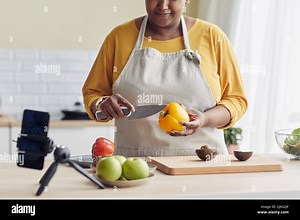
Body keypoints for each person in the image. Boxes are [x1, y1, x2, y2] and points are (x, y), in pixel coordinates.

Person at [82, 0, 248, 157]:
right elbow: (93, 95)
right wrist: (102, 104)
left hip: (203, 164)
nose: (163, 5)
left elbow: (236, 100)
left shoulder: (212, 37)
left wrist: (205, 119)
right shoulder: (118, 37)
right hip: (135, 167)